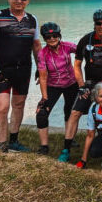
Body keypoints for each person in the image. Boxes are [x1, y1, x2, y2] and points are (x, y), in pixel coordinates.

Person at [58, 8, 102, 163]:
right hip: (89, 83)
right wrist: (82, 86)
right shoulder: (85, 40)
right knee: (75, 113)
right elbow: (77, 65)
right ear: (94, 24)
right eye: (98, 23)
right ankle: (66, 148)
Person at [0, 0, 41, 153]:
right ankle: (2, 144)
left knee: (19, 104)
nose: (19, 2)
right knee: (2, 107)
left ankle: (14, 140)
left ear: (27, 2)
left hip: (23, 69)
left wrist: (40, 67)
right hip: (2, 69)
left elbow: (36, 45)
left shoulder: (32, 19)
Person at [35, 22, 78, 155]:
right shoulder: (42, 54)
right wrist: (45, 97)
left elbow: (82, 51)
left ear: (59, 36)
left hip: (71, 84)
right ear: (44, 38)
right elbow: (42, 77)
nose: (52, 39)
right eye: (48, 37)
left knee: (70, 113)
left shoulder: (67, 46)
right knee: (41, 113)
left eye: (55, 35)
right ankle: (44, 146)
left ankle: (70, 138)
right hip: (53, 85)